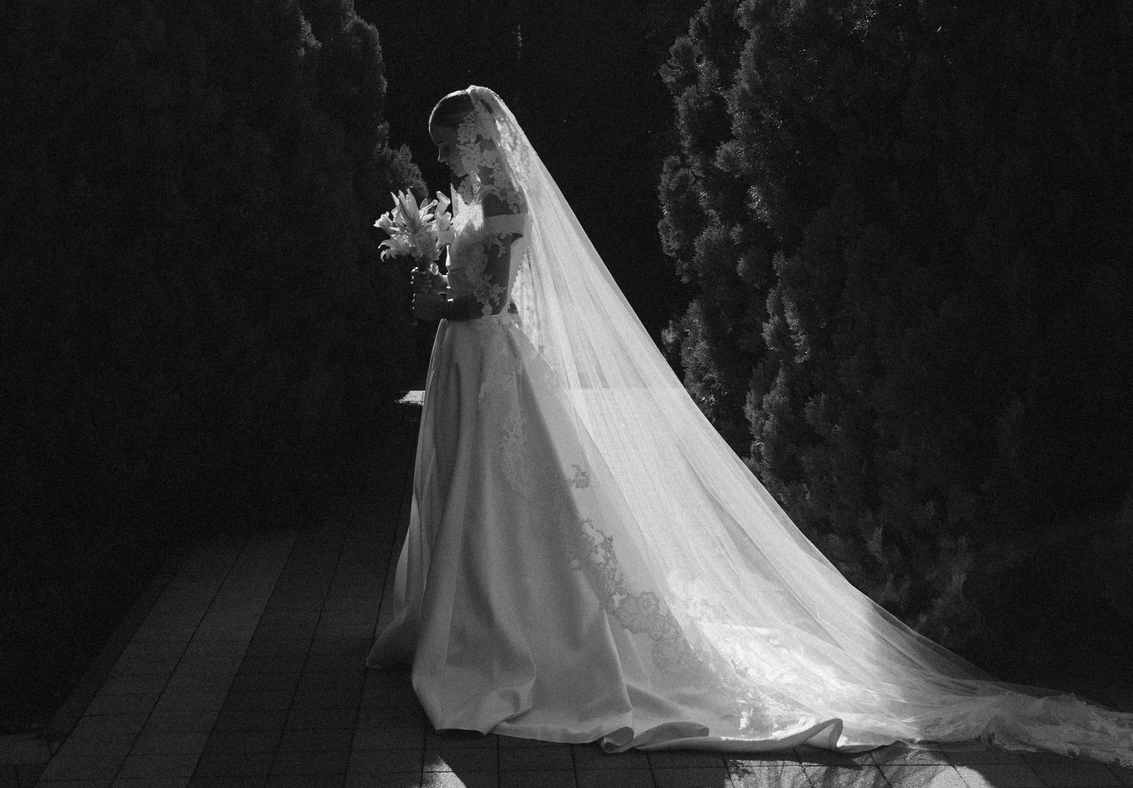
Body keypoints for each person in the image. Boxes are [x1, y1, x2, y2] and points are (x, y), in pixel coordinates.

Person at [368, 85, 1133, 761]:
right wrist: (437, 277)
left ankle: (506, 635)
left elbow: (495, 299)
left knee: (502, 499)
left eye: (450, 145)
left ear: (478, 137)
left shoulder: (505, 201)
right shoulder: (475, 199)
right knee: (477, 494)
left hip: (490, 361)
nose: (445, 160)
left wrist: (439, 301)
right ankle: (466, 620)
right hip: (466, 363)